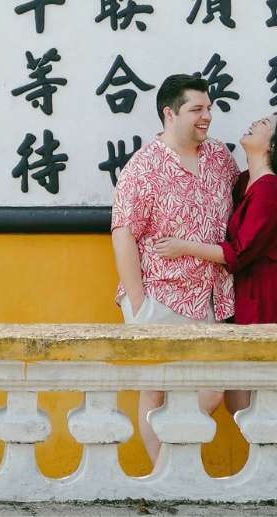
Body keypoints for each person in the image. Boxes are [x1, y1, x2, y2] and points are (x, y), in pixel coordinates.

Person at [153, 112, 277, 476]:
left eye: (265, 123)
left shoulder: (270, 190)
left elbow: (238, 252)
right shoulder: (248, 181)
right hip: (249, 292)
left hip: (267, 296)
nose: (255, 123)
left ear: (273, 145)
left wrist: (184, 246)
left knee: (259, 394)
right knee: (241, 399)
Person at [110, 74, 241, 465]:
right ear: (170, 113)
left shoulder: (220, 157)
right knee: (154, 392)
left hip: (212, 297)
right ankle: (165, 480)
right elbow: (123, 233)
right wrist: (140, 303)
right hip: (160, 295)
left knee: (212, 390)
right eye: (196, 109)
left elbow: (246, 212)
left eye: (208, 107)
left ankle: (167, 467)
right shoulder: (143, 167)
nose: (207, 116)